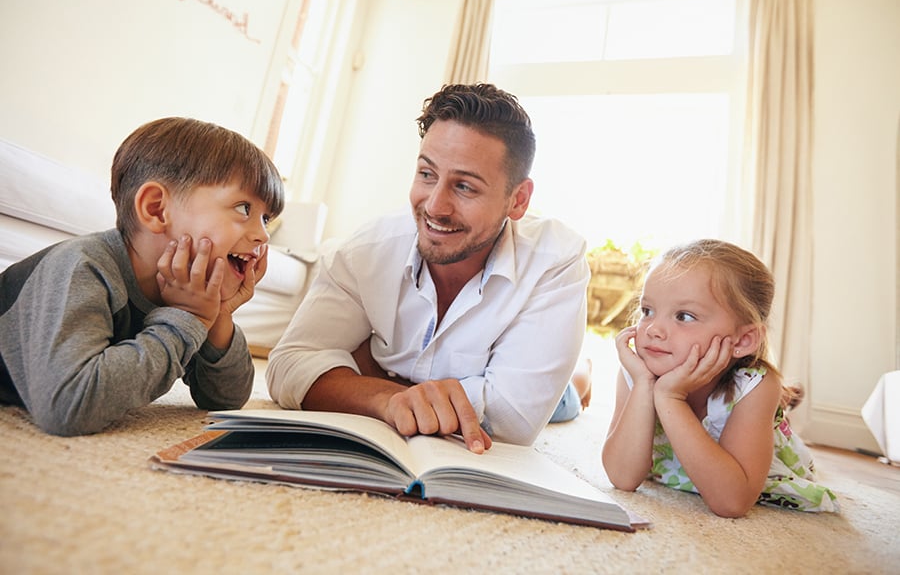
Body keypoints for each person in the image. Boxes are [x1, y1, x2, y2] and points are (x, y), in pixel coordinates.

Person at [267, 83, 591, 453]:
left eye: (465, 187)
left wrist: (360, 377)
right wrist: (386, 398)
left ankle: (582, 371)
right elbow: (287, 366)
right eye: (426, 174)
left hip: (528, 372)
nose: (435, 206)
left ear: (517, 200)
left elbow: (512, 422)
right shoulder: (365, 251)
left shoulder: (556, 260)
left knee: (565, 402)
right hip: (423, 373)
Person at [0, 117, 284, 436]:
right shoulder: (83, 266)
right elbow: (68, 406)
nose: (262, 235)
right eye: (244, 209)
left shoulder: (186, 289)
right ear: (156, 209)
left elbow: (225, 399)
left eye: (267, 219)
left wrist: (218, 315)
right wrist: (185, 319)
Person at [601, 239, 838, 516]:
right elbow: (622, 477)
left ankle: (782, 402)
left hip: (755, 457)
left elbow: (731, 502)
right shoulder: (638, 372)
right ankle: (787, 397)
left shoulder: (755, 386)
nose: (653, 329)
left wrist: (670, 397)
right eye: (647, 311)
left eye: (684, 316)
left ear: (744, 339)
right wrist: (644, 385)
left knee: (770, 397)